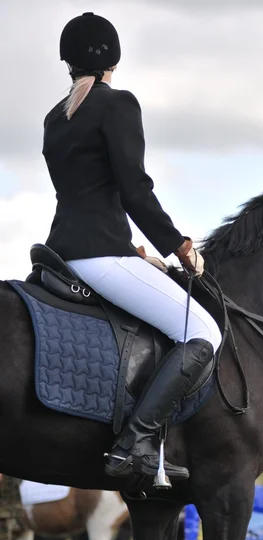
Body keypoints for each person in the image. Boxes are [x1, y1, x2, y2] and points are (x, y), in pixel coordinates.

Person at [43, 12, 222, 480]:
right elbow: (134, 190)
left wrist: (134, 249)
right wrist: (179, 246)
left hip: (62, 253)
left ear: (68, 63)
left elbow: (91, 192)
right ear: (111, 62)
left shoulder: (54, 118)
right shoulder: (118, 104)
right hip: (100, 255)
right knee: (203, 332)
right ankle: (136, 442)